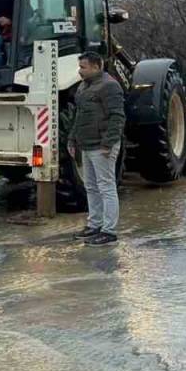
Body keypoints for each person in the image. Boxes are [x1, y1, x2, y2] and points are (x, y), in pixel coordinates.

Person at [67, 52, 125, 246]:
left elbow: (117, 117)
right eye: (80, 66)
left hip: (102, 146)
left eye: (83, 67)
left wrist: (108, 144)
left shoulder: (110, 86)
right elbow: (79, 116)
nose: (80, 71)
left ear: (96, 66)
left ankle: (109, 231)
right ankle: (94, 225)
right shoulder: (83, 87)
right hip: (87, 144)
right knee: (91, 186)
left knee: (106, 186)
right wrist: (72, 140)